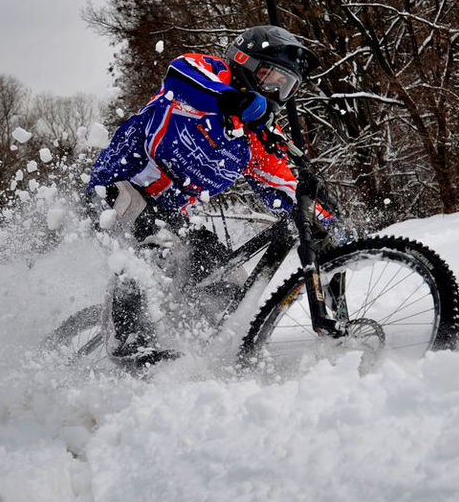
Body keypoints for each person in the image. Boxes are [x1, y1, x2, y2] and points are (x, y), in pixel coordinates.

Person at [84, 25, 332, 367]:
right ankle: (130, 342)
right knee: (153, 245)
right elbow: (180, 77)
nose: (274, 91)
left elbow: (284, 189)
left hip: (171, 217)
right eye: (270, 77)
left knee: (224, 276)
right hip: (118, 187)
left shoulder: (255, 139)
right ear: (245, 62)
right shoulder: (210, 74)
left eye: (284, 86)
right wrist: (234, 99)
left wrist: (330, 226)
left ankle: (199, 351)